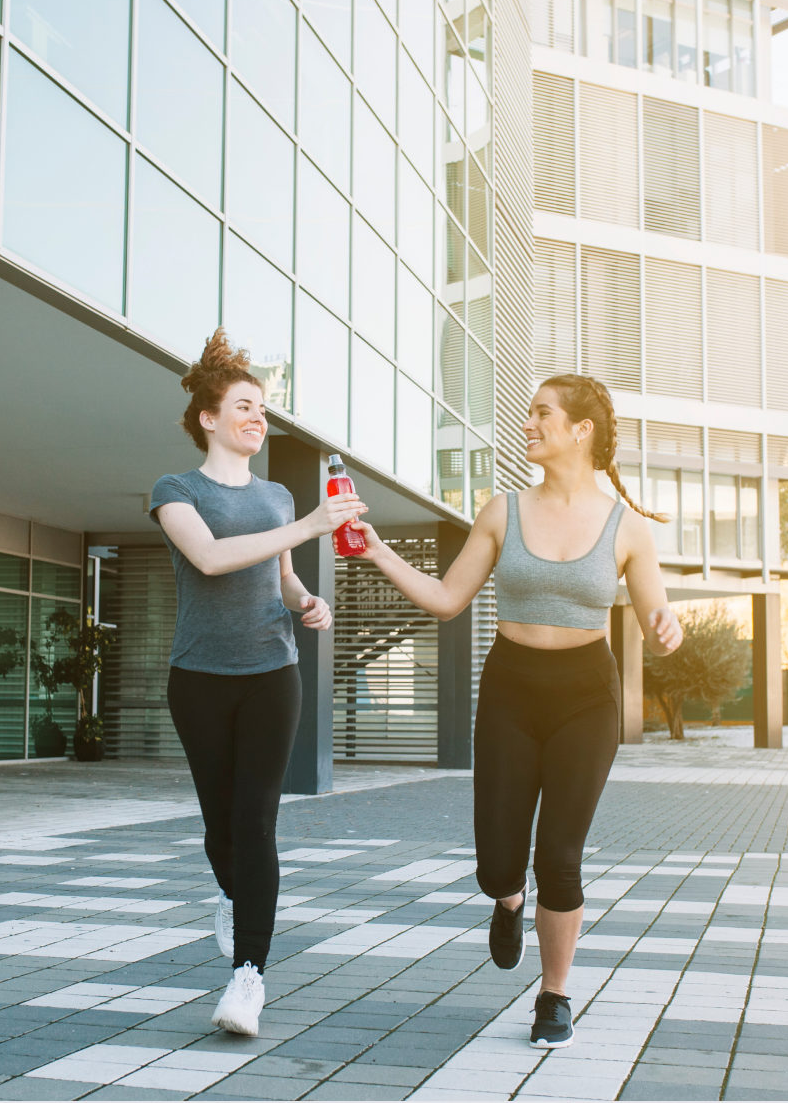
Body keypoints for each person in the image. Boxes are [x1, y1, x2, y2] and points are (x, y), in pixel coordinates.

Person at [347, 374, 682, 1049]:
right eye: (529, 411)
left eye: (541, 413)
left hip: (587, 695)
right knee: (499, 859)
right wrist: (377, 549)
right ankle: (507, 898)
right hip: (510, 688)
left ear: (580, 430)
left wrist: (667, 623)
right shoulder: (502, 511)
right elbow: (447, 599)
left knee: (559, 853)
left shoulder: (628, 527)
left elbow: (654, 611)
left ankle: (554, 993)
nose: (528, 423)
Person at [149, 330, 366, 1037]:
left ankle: (249, 976)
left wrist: (306, 602)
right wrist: (307, 525)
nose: (256, 417)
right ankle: (236, 896)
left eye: (262, 409)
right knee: (220, 831)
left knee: (255, 821)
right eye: (243, 405)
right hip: (200, 680)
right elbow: (211, 558)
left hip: (274, 674)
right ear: (208, 418)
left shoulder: (275, 496)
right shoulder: (175, 491)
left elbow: (280, 576)